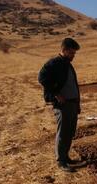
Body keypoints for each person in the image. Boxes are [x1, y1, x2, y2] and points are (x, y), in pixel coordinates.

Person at [38, 38, 82, 172]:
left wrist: (77, 103)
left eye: (74, 53)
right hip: (63, 105)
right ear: (63, 50)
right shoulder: (54, 63)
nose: (73, 56)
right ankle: (61, 161)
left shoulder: (67, 64)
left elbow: (73, 84)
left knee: (70, 131)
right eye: (71, 53)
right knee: (63, 132)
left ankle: (66, 156)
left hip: (72, 103)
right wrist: (57, 93)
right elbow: (42, 78)